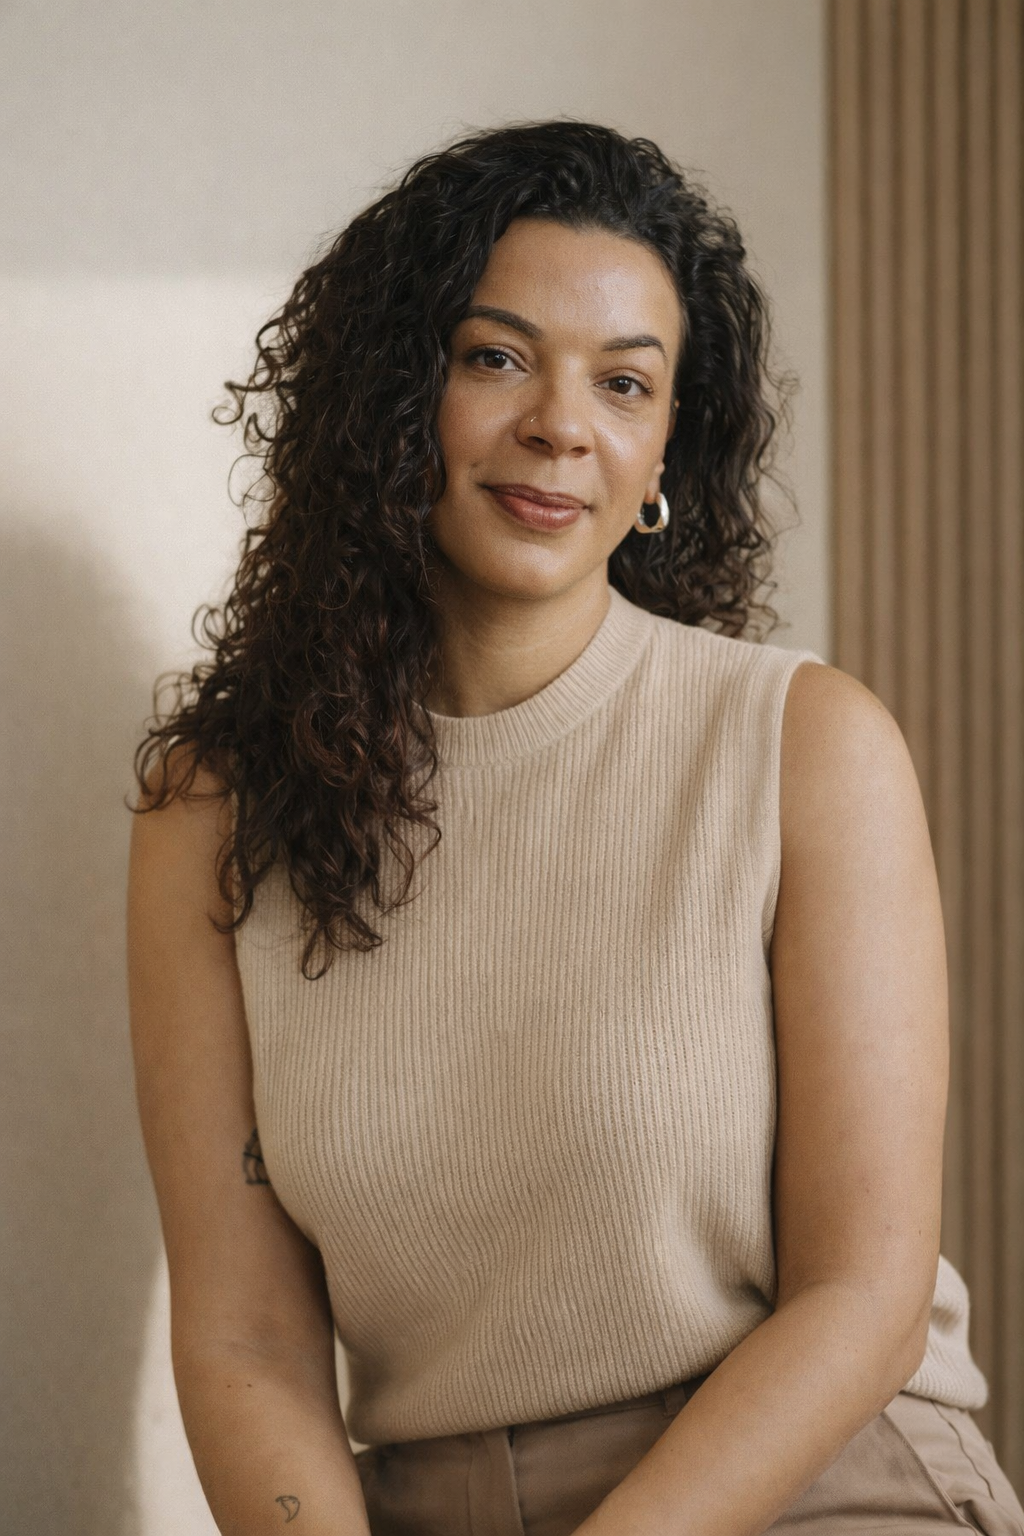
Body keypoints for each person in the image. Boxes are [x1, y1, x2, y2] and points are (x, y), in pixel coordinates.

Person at [126, 120, 1024, 1536]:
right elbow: (246, 1341)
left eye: (624, 382)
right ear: (389, 393)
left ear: (666, 444)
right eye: (496, 357)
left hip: (809, 1480)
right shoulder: (214, 812)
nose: (561, 423)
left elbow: (865, 1296)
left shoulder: (804, 747)